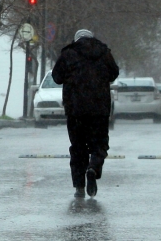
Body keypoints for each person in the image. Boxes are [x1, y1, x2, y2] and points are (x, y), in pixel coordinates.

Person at [52, 29, 119, 198]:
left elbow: (57, 77)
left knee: (78, 147)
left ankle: (79, 186)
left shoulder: (68, 54)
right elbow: (114, 73)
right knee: (99, 144)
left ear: (76, 40)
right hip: (99, 109)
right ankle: (93, 168)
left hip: (75, 110)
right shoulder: (104, 53)